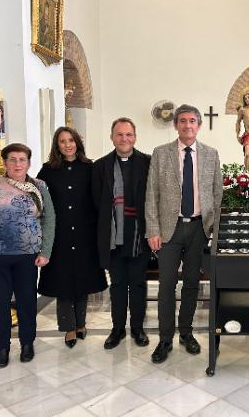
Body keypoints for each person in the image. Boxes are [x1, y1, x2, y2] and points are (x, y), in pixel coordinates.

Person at [0, 143, 55, 368]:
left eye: (22, 159)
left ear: (28, 163)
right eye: (12, 159)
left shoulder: (39, 186)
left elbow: (49, 219)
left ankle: (27, 343)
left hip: (27, 255)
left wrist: (45, 251)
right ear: (5, 163)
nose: (17, 164)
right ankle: (2, 348)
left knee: (26, 301)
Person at [146, 104, 222, 363]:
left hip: (199, 228)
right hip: (170, 228)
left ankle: (186, 332)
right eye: (182, 121)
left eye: (192, 121)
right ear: (175, 125)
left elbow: (217, 193)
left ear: (198, 125)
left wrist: (215, 229)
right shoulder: (161, 153)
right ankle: (165, 338)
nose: (187, 125)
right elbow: (151, 194)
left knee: (192, 284)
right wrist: (153, 229)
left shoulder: (211, 155)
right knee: (167, 284)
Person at [37, 127, 107, 348]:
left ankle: (81, 323)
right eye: (62, 141)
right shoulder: (47, 170)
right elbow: (34, 193)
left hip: (86, 233)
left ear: (78, 142)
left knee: (82, 280)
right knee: (63, 282)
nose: (67, 145)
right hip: (60, 235)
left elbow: (99, 198)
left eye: (71, 140)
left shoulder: (90, 167)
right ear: (56, 146)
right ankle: (69, 327)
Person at [93, 118, 152, 350]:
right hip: (112, 237)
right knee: (117, 285)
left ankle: (137, 328)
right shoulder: (101, 166)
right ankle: (117, 329)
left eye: (128, 134)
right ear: (112, 137)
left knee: (138, 284)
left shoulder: (148, 162)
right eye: (119, 135)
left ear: (135, 137)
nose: (124, 139)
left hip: (138, 236)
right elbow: (97, 202)